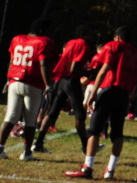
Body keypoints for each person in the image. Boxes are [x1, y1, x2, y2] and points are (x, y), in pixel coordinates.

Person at [64, 27, 137, 180]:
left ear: (116, 38)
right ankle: (110, 170)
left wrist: (93, 93)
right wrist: (133, 95)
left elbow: (103, 71)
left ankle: (87, 167)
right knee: (117, 132)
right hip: (124, 94)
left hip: (109, 90)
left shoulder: (113, 46)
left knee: (94, 129)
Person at [0, 18, 56, 161]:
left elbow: (12, 59)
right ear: (41, 31)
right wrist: (49, 84)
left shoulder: (17, 39)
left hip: (14, 81)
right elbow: (44, 63)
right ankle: (26, 153)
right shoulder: (44, 42)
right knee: (31, 120)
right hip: (32, 83)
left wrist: (8, 79)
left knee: (10, 117)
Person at [33, 25, 95, 155]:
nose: (92, 36)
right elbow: (74, 68)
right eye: (90, 33)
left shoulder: (72, 42)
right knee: (80, 115)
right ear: (84, 34)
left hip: (61, 80)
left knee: (53, 111)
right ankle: (85, 146)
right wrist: (88, 73)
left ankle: (38, 142)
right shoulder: (84, 45)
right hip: (72, 81)